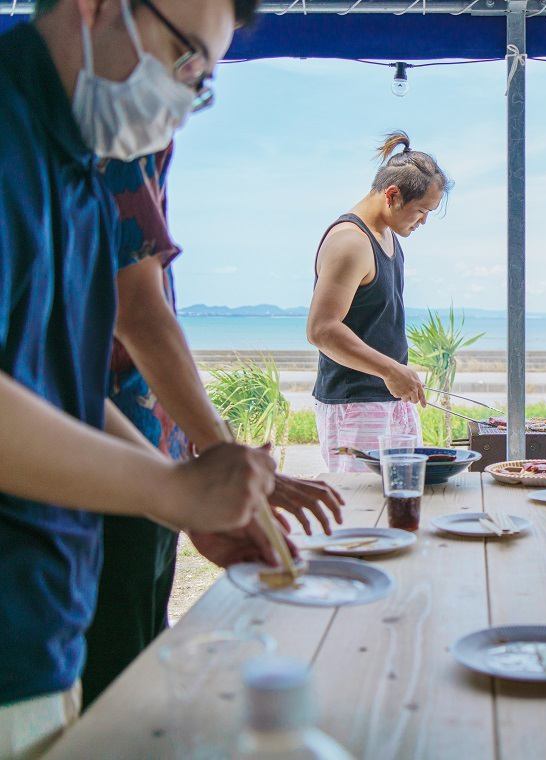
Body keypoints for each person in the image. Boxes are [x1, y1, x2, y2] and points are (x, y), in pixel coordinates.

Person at [0, 1, 280, 755]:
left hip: (43, 621)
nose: (186, 97)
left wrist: (186, 501)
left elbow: (59, 388)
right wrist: (167, 488)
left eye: (204, 82)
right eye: (185, 58)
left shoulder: (82, 175)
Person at [81, 142, 346, 708]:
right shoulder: (99, 139)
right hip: (94, 479)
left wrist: (189, 483)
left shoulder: (126, 132)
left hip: (147, 460)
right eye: (188, 60)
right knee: (117, 697)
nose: (186, 99)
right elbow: (138, 314)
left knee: (140, 670)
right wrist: (214, 465)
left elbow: (78, 374)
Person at [307, 132, 450, 472]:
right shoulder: (350, 242)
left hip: (386, 400)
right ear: (392, 196)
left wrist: (396, 375)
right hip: (356, 404)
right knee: (365, 516)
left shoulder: (385, 234)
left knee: (402, 506)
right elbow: (321, 330)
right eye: (421, 210)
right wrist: (389, 370)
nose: (424, 221)